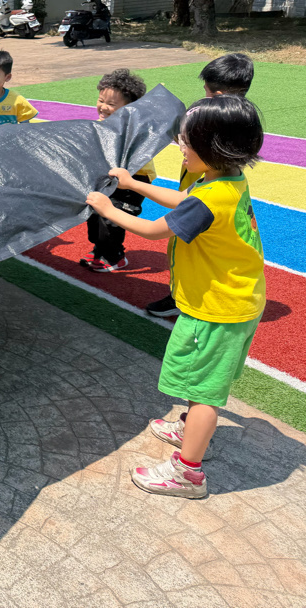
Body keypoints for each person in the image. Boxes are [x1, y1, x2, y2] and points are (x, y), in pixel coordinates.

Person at [86, 96, 265, 498]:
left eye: (187, 141)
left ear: (215, 148)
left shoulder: (210, 198)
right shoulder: (227, 179)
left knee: (204, 393)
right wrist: (134, 184)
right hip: (235, 297)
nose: (180, 146)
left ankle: (188, 473)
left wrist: (107, 208)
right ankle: (189, 430)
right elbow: (186, 203)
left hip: (219, 308)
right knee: (200, 379)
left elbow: (155, 230)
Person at [145, 53, 255, 317]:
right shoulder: (239, 120)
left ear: (217, 94)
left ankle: (185, 298)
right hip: (200, 188)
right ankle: (183, 293)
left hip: (203, 193)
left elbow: (153, 230)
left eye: (206, 91)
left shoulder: (219, 136)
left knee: (188, 244)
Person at [80, 69, 156, 272]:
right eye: (101, 100)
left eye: (111, 104)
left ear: (130, 107)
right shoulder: (101, 124)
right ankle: (100, 248)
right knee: (95, 213)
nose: (103, 107)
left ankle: (115, 257)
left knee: (113, 217)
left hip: (134, 179)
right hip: (108, 177)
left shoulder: (135, 127)